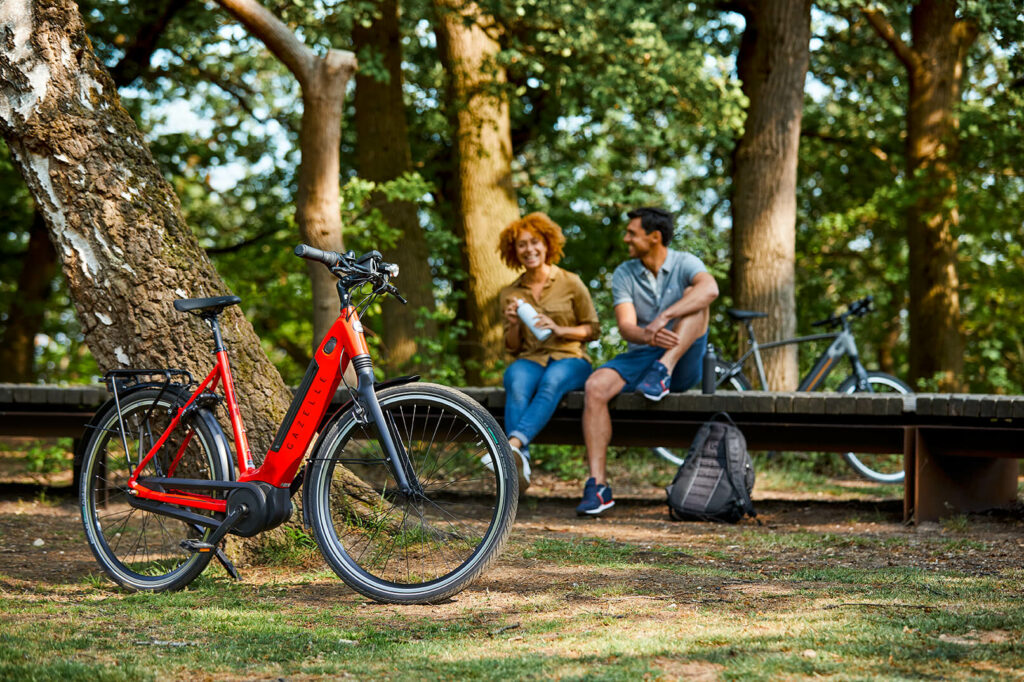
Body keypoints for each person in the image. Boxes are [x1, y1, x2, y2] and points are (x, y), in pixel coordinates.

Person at [577, 207, 718, 515]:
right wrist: (649, 335)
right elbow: (627, 327)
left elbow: (711, 288)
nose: (626, 237)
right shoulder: (625, 273)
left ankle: (664, 370)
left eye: (632, 233)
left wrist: (665, 317)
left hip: (683, 356)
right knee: (595, 386)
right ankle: (598, 486)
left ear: (654, 237)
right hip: (643, 353)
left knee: (698, 302)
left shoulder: (686, 262)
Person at [496, 212, 600, 492]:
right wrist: (515, 324)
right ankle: (521, 465)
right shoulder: (509, 293)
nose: (529, 249)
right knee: (515, 380)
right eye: (522, 244)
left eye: (535, 242)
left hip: (570, 358)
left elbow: (593, 329)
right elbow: (512, 347)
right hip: (530, 359)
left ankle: (511, 448)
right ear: (513, 251)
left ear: (547, 244)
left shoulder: (570, 282)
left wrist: (560, 329)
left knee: (551, 382)